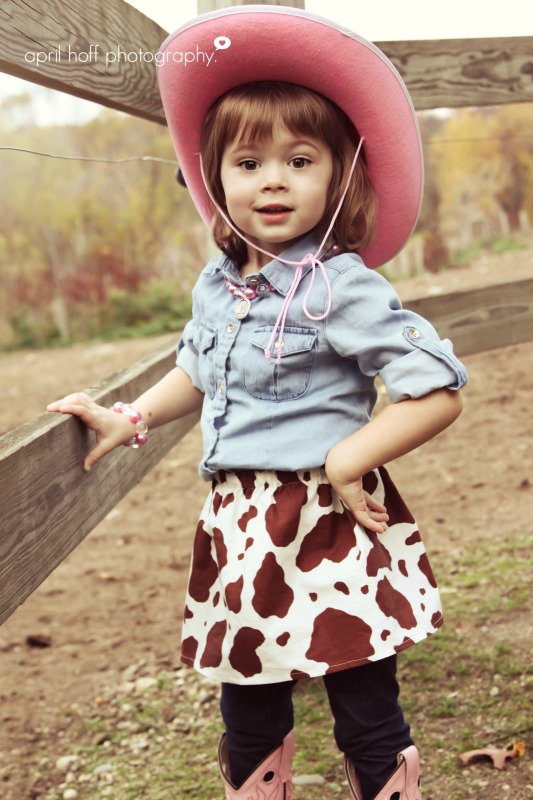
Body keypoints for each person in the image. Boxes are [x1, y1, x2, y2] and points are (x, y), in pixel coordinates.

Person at [48, 7, 468, 800]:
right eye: (247, 162)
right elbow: (198, 370)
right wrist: (130, 416)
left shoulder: (338, 285)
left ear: (340, 174)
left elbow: (435, 387)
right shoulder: (220, 283)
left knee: (361, 694)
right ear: (214, 178)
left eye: (299, 159)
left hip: (327, 520)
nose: (271, 179)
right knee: (247, 693)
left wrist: (351, 454)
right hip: (239, 523)